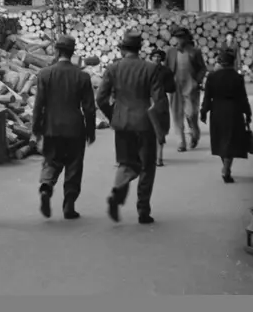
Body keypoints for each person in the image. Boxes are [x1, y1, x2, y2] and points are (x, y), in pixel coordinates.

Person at [95, 32, 166, 225]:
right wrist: (161, 128)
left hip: (122, 123)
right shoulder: (151, 69)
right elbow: (159, 100)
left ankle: (118, 190)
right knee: (147, 167)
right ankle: (143, 210)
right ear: (139, 49)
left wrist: (113, 116)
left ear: (121, 49)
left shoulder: (113, 68)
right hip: (145, 122)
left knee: (126, 162)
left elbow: (100, 98)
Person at [31, 35, 95, 220]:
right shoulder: (82, 76)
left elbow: (38, 105)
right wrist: (90, 131)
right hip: (75, 128)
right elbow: (89, 108)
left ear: (57, 51)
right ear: (72, 52)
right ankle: (69, 204)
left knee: (51, 160)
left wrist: (36, 129)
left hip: (51, 127)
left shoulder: (44, 74)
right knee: (74, 166)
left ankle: (46, 186)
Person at [200, 48, 253, 183]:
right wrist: (247, 113)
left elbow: (207, 97)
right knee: (231, 140)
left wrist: (203, 112)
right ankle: (227, 168)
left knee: (220, 140)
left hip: (217, 110)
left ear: (220, 63)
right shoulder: (237, 77)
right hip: (234, 110)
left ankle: (225, 165)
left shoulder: (212, 77)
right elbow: (243, 97)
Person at [167, 26, 207, 152]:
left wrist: (197, 81)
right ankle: (181, 142)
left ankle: (194, 134)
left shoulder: (194, 51)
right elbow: (166, 69)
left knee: (191, 114)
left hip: (191, 87)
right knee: (177, 115)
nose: (179, 40)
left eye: (181, 37)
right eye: (176, 37)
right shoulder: (171, 52)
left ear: (186, 38)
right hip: (175, 88)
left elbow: (202, 68)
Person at [148, 49, 176, 167]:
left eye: (159, 56)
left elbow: (171, 87)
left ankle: (158, 157)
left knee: (157, 129)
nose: (156, 58)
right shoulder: (147, 70)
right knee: (157, 129)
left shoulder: (165, 71)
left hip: (158, 101)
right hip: (151, 100)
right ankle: (155, 156)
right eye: (154, 56)